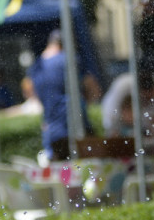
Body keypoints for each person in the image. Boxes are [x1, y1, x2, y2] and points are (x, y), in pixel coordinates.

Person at [30, 30, 101, 160]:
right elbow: (92, 86)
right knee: (85, 169)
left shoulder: (36, 66)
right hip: (75, 124)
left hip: (51, 128)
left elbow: (33, 93)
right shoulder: (69, 60)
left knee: (60, 174)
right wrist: (87, 103)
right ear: (65, 44)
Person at [100, 70, 154, 137]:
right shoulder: (121, 88)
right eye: (145, 98)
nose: (148, 101)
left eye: (151, 98)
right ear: (137, 92)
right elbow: (109, 119)